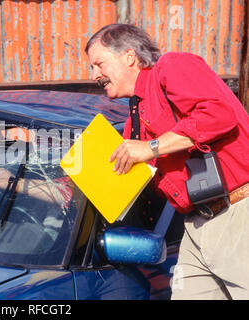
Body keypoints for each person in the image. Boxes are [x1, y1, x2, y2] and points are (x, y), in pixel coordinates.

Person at [85, 23, 249, 299]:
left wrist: (151, 148)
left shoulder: (172, 66)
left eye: (99, 64)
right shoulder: (133, 123)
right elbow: (115, 181)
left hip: (238, 214)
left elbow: (219, 115)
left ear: (129, 56)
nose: (94, 75)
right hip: (197, 224)